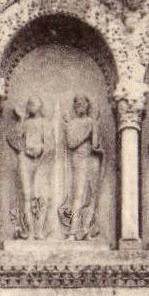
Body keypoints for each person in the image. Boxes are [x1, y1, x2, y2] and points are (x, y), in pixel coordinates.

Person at [60, 93, 104, 241]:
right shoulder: (71, 124)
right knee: (78, 194)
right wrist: (87, 133)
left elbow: (96, 145)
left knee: (92, 195)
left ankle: (85, 229)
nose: (80, 106)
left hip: (92, 159)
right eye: (77, 104)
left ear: (88, 105)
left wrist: (97, 140)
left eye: (83, 103)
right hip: (79, 158)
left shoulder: (92, 122)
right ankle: (72, 231)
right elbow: (71, 143)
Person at [7, 95, 49, 240]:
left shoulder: (44, 122)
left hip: (40, 160)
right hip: (25, 158)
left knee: (41, 196)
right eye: (29, 104)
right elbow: (12, 137)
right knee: (26, 195)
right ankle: (30, 231)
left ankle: (39, 231)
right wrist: (20, 120)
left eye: (34, 103)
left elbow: (50, 145)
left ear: (39, 105)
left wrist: (41, 149)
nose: (31, 106)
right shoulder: (25, 123)